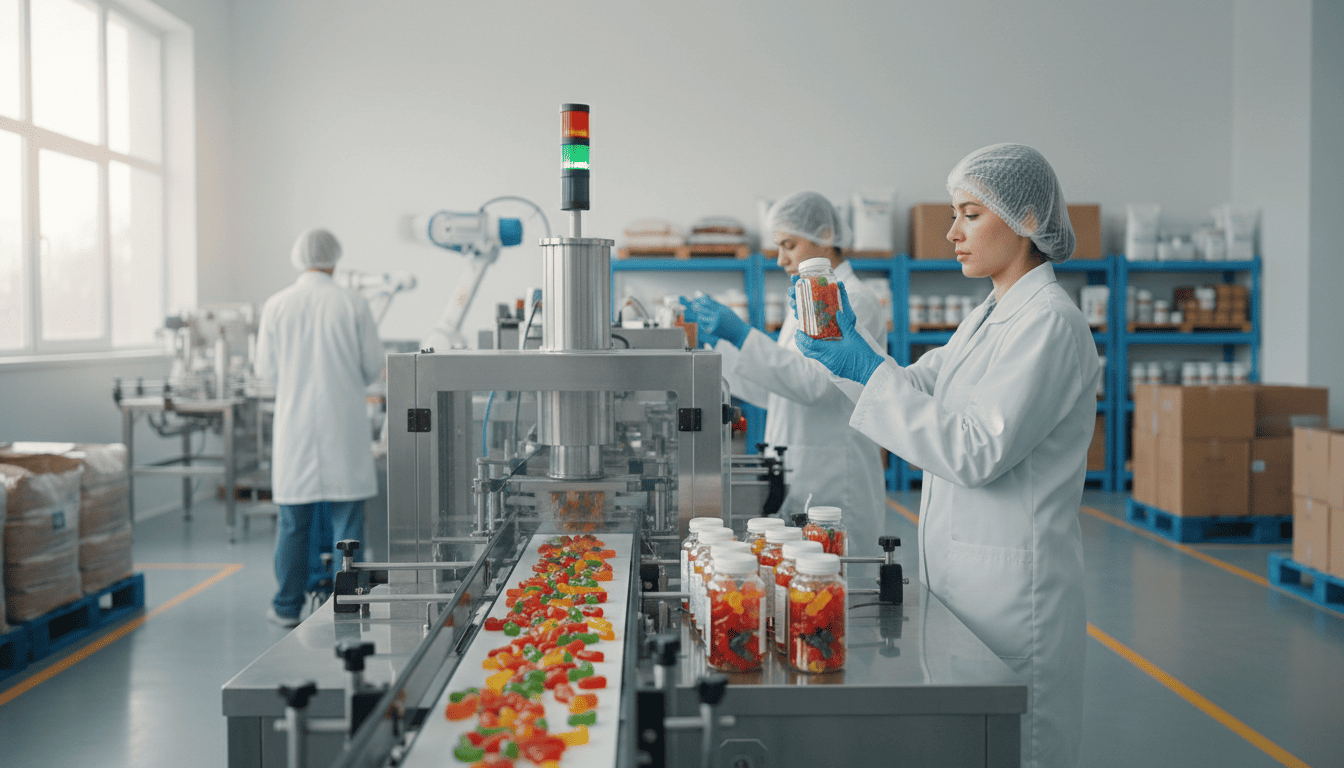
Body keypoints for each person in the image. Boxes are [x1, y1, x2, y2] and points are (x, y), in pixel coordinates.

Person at [795, 144, 1097, 767]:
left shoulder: (1048, 323)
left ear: (1028, 219)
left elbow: (973, 448)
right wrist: (854, 355)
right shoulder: (988, 317)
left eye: (971, 215)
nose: (952, 232)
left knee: (1019, 750)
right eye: (954, 214)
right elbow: (914, 387)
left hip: (1016, 596)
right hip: (965, 586)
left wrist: (866, 369)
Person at [680, 191, 888, 553]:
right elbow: (777, 391)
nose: (781, 259)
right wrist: (719, 349)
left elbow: (814, 385)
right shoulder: (806, 299)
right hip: (799, 467)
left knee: (836, 575)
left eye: (789, 245)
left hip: (836, 474)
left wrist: (743, 335)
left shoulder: (853, 299)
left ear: (825, 235)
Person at [255, 229, 385, 628]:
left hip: (295, 427)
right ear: (334, 258)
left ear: (298, 257)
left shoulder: (276, 305)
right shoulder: (353, 303)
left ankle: (286, 607)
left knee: (293, 524)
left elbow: (265, 371)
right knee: (348, 521)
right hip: (342, 427)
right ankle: (345, 604)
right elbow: (372, 368)